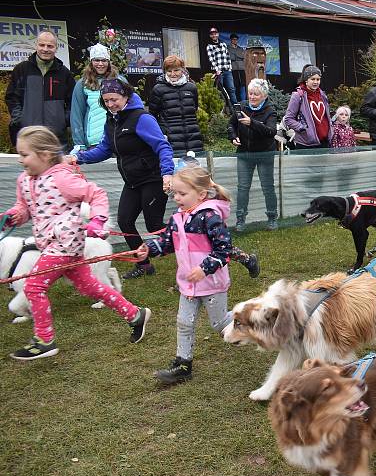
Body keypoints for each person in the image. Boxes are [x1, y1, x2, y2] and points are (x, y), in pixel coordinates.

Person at [3, 126, 151, 360]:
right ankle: (135, 314)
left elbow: (96, 194)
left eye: (24, 154)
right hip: (51, 243)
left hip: (65, 243)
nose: (21, 160)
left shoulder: (62, 178)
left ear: (44, 155)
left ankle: (44, 339)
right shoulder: (24, 180)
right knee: (90, 287)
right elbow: (26, 208)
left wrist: (98, 219)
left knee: (33, 286)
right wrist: (13, 215)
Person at [136, 166, 234, 384]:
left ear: (200, 194)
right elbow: (167, 243)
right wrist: (149, 250)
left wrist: (204, 268)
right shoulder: (178, 219)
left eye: (182, 193)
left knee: (219, 324)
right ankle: (183, 364)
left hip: (212, 284)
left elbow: (224, 250)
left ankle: (249, 315)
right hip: (188, 285)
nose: (176, 198)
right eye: (175, 194)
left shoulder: (210, 217)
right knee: (184, 322)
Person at [69, 79, 174, 279]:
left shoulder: (141, 118)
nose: (110, 104)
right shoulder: (112, 120)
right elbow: (105, 149)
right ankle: (143, 265)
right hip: (132, 182)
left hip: (152, 178)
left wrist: (167, 172)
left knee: (154, 226)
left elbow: (163, 146)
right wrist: (79, 157)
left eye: (114, 99)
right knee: (125, 222)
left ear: (125, 96)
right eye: (106, 101)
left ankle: (194, 249)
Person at [5, 30, 75, 147]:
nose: (45, 49)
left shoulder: (64, 73)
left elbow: (72, 102)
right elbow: (12, 98)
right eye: (42, 45)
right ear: (36, 45)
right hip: (28, 135)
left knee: (56, 166)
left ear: (56, 48)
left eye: (50, 46)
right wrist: (20, 119)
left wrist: (63, 120)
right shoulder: (22, 69)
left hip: (56, 138)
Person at [228, 78, 278, 231]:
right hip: (244, 154)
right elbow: (231, 124)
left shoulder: (270, 110)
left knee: (267, 187)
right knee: (243, 187)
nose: (252, 97)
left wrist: (252, 123)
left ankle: (272, 218)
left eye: (256, 94)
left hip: (265, 154)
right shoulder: (241, 106)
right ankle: (240, 220)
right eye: (250, 93)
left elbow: (271, 132)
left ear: (264, 96)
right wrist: (233, 137)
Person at [71, 43, 125, 149]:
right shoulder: (83, 84)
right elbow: (77, 114)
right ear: (91, 62)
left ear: (108, 62)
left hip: (118, 138)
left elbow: (130, 108)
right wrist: (79, 144)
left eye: (104, 60)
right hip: (94, 141)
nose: (100, 64)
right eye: (96, 60)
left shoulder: (120, 81)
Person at [148, 55, 203, 156]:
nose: (173, 74)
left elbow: (194, 108)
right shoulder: (158, 89)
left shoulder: (191, 88)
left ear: (182, 69)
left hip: (193, 136)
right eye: (169, 71)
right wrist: (162, 133)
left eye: (176, 70)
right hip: (170, 138)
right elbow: (152, 115)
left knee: (196, 168)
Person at [284, 65, 332, 149]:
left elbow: (326, 116)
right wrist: (302, 128)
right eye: (312, 79)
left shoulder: (323, 95)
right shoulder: (298, 96)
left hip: (324, 142)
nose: (316, 82)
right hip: (306, 144)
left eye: (318, 79)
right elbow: (288, 119)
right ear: (306, 80)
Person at [206, 27, 237, 104]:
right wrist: (217, 70)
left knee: (231, 89)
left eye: (215, 34)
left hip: (227, 71)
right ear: (210, 36)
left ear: (218, 34)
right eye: (212, 34)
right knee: (219, 90)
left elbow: (228, 56)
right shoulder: (209, 46)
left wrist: (230, 68)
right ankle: (222, 108)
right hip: (219, 72)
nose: (214, 35)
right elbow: (211, 59)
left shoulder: (223, 44)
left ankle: (236, 107)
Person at [228, 33, 247, 103]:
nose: (235, 41)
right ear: (231, 40)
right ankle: (235, 103)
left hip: (241, 69)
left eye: (236, 39)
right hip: (233, 69)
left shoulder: (240, 48)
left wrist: (235, 55)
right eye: (234, 39)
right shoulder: (228, 48)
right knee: (234, 86)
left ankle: (244, 102)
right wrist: (237, 56)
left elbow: (243, 56)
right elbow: (230, 57)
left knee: (243, 86)